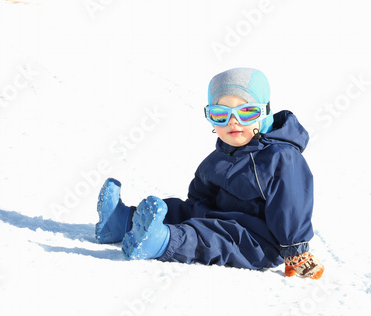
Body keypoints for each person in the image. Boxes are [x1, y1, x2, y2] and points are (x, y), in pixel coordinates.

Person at [95, 67, 324, 279]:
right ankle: (121, 221)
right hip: (219, 216)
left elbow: (292, 204)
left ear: (265, 112)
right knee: (179, 209)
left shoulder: (282, 157)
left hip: (256, 241)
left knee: (208, 235)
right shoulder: (226, 150)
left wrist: (296, 250)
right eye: (220, 114)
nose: (233, 122)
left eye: (246, 112)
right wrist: (195, 207)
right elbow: (204, 185)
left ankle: (161, 241)